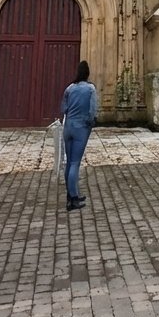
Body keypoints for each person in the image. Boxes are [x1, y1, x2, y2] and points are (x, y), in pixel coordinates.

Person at [61, 60, 99, 211]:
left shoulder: (69, 88)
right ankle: (74, 200)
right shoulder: (90, 89)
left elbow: (63, 107)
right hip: (81, 127)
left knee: (69, 162)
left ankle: (71, 194)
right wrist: (90, 123)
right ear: (88, 73)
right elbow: (92, 110)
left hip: (68, 126)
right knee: (75, 163)